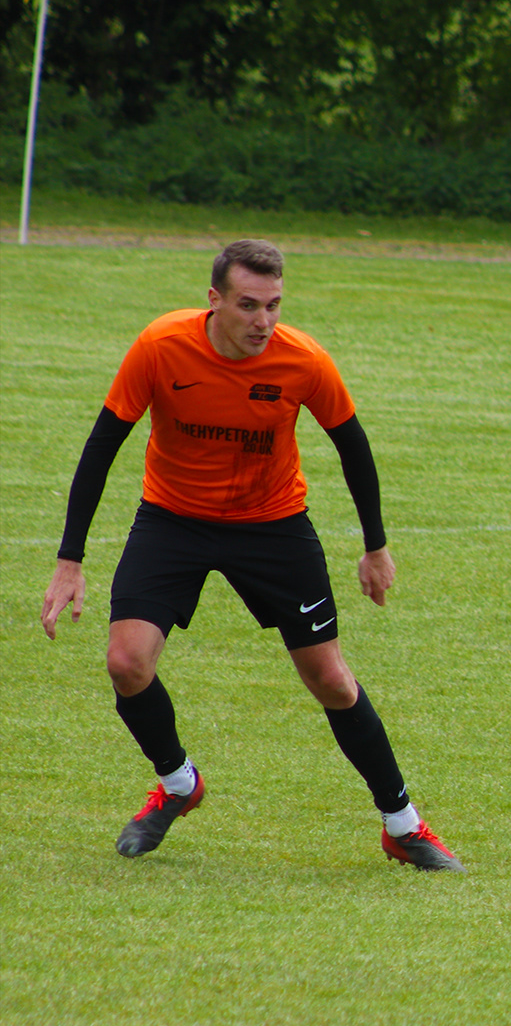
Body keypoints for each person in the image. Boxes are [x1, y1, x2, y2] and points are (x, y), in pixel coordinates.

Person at [39, 239, 463, 871]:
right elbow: (103, 445)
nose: (263, 321)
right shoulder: (161, 346)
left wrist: (375, 547)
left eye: (273, 305)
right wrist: (69, 560)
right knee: (126, 663)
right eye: (248, 305)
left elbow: (353, 445)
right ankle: (179, 784)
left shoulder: (303, 359)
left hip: (273, 526)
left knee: (331, 680)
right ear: (214, 300)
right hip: (173, 520)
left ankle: (402, 826)